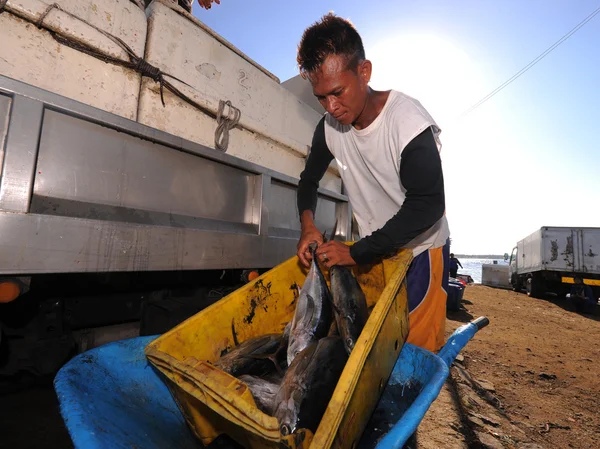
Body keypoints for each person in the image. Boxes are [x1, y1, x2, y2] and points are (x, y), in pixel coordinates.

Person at [295, 14, 450, 353]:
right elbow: (308, 179)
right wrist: (308, 225)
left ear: (363, 72)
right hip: (373, 250)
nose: (331, 107)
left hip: (420, 251)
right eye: (321, 97)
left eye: (337, 92)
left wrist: (357, 251)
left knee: (411, 352)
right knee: (373, 347)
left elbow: (428, 204)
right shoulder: (328, 128)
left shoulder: (407, 121)